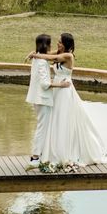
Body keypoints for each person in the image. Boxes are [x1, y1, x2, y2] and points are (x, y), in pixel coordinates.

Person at [28, 33, 107, 166]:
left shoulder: (68, 56)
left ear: (66, 44)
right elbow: (49, 54)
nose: (58, 44)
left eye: (60, 42)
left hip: (64, 90)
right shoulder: (60, 52)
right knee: (54, 120)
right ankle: (51, 151)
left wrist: (35, 55)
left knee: (63, 120)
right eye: (58, 42)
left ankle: (65, 153)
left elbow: (52, 57)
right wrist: (35, 53)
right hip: (56, 91)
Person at [25, 34, 70, 164]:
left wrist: (33, 54)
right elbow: (45, 84)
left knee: (42, 126)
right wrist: (60, 84)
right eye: (50, 43)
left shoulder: (37, 59)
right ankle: (35, 157)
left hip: (37, 98)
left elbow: (53, 55)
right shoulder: (41, 62)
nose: (52, 45)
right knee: (42, 127)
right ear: (46, 45)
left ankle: (42, 153)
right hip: (42, 99)